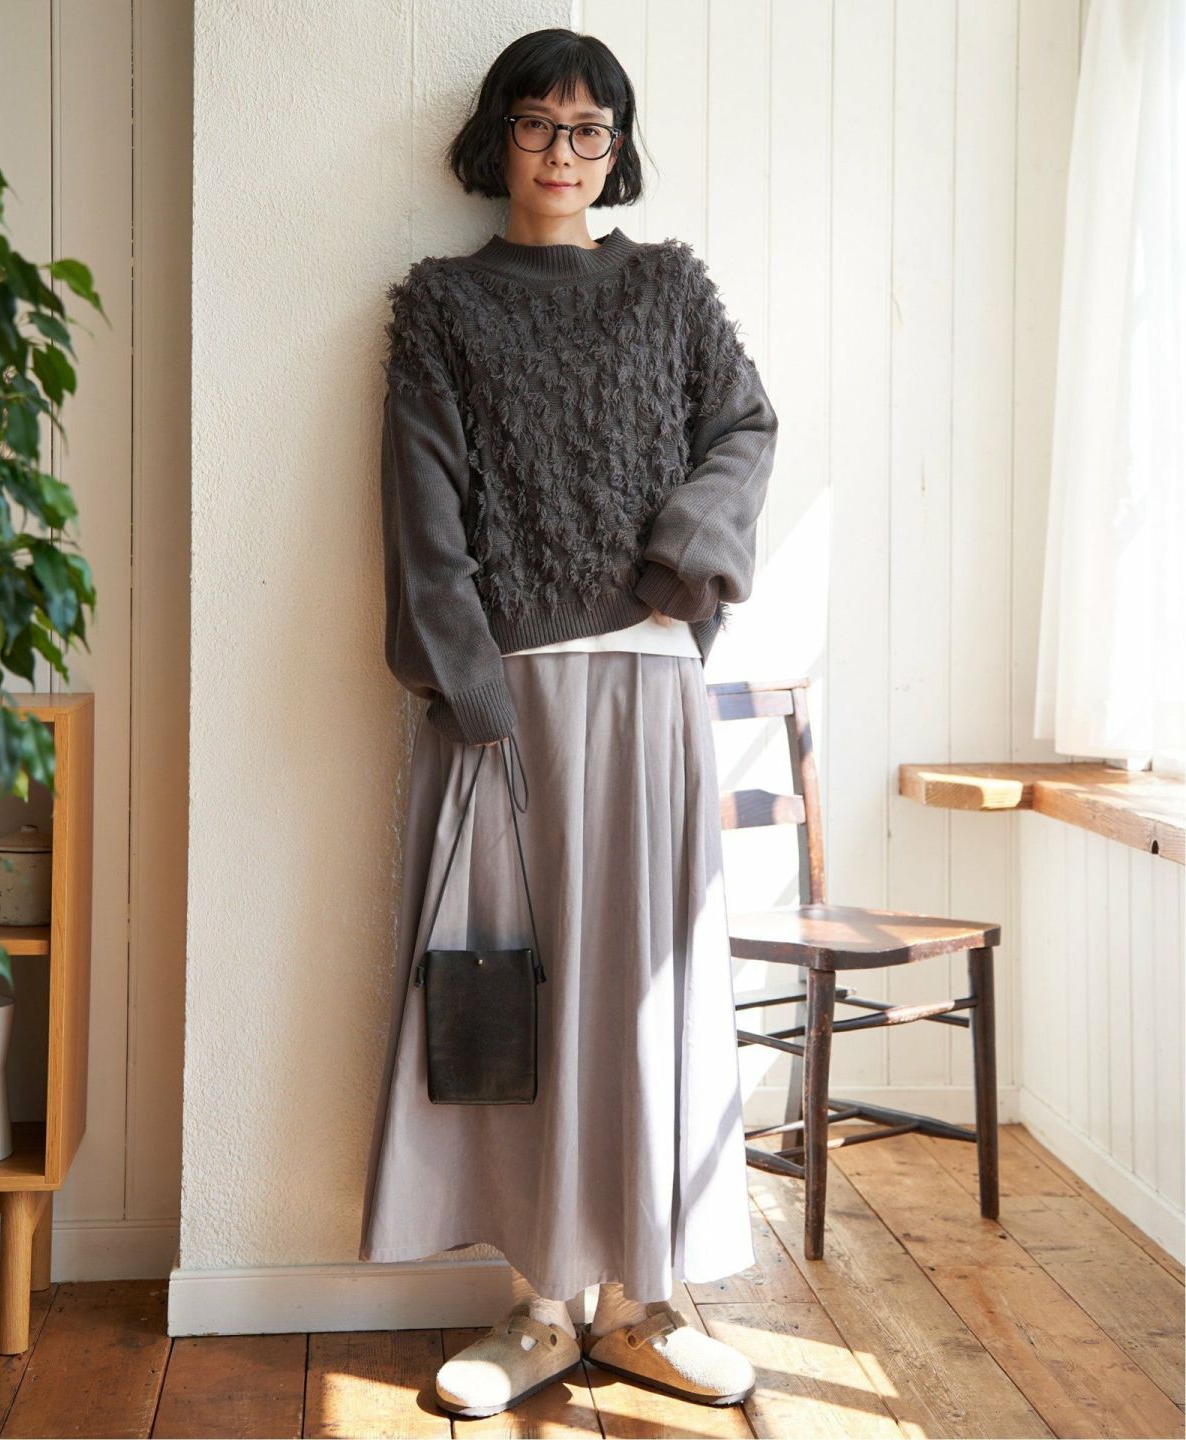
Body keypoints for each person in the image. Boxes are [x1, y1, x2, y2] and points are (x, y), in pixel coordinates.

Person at [359, 26, 779, 1420]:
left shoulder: (669, 289)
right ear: (498, 137)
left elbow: (745, 431)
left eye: (589, 129)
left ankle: (649, 1305)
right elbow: (422, 514)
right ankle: (541, 1310)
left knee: (648, 992)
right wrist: (470, 687)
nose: (562, 152)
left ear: (618, 148)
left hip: (650, 688)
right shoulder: (443, 305)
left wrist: (681, 567)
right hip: (506, 704)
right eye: (539, 124)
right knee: (516, 996)